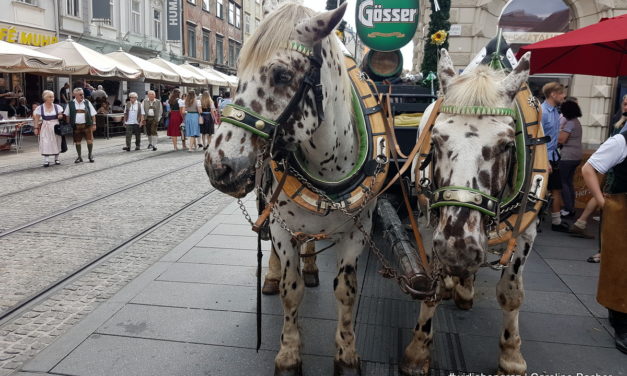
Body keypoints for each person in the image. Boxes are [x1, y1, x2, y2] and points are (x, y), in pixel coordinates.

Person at [581, 125, 627, 354]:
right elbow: (589, 169)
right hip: (623, 208)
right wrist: (602, 202)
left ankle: (617, 311)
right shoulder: (621, 140)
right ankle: (622, 324)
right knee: (620, 266)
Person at [541, 82, 568, 231]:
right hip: (543, 158)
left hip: (554, 157)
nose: (564, 96)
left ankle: (556, 222)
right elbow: (537, 138)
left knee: (556, 189)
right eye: (561, 93)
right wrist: (544, 160)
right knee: (539, 190)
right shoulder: (542, 112)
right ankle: (534, 220)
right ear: (553, 94)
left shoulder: (556, 112)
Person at [557, 99, 583, 217]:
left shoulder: (570, 123)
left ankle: (568, 209)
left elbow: (562, 139)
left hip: (568, 156)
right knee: (569, 182)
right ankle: (571, 207)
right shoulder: (576, 121)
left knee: (563, 183)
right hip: (576, 155)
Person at [64, 87, 97, 163]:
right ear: (75, 95)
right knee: (77, 142)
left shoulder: (87, 102)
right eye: (80, 94)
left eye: (83, 94)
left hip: (87, 125)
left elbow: (93, 114)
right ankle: (79, 157)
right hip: (76, 126)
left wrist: (94, 124)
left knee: (89, 141)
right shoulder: (70, 103)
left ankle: (90, 155)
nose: (82, 96)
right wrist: (69, 125)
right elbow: (67, 115)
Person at [33, 90, 64, 167]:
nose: (52, 98)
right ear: (45, 98)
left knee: (56, 141)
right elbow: (36, 118)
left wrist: (60, 116)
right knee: (45, 142)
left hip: (55, 126)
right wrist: (36, 128)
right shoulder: (40, 108)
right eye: (50, 97)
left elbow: (61, 115)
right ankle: (46, 160)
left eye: (53, 96)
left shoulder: (57, 107)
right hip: (45, 126)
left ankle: (56, 158)